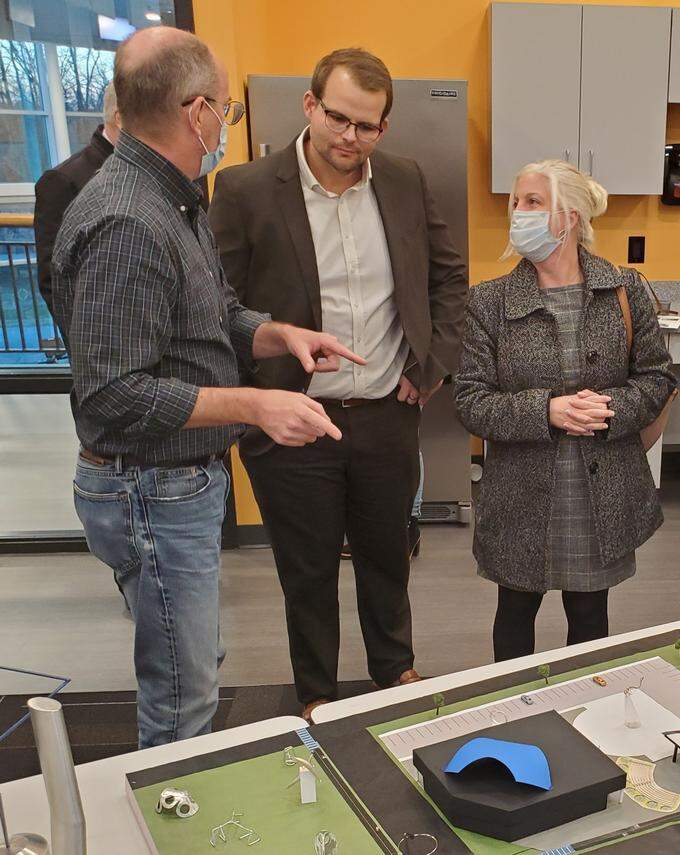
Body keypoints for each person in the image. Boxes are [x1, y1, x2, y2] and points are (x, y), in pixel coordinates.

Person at [50, 27, 363, 748]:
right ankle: (173, 815)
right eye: (227, 108)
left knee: (192, 663)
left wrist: (278, 334)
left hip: (176, 485)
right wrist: (255, 402)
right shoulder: (127, 221)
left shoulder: (173, 197)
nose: (227, 124)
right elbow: (113, 396)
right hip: (148, 489)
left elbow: (213, 313)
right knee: (183, 689)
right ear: (196, 113)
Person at [209, 48, 468, 721]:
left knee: (389, 555)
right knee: (308, 569)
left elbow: (447, 277)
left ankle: (393, 668)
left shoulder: (405, 180)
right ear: (310, 105)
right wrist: (253, 408)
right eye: (338, 118)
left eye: (368, 125)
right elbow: (218, 306)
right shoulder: (245, 189)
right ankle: (317, 693)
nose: (350, 137)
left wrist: (432, 362)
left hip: (387, 410)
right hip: (296, 421)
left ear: (385, 127)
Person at [455, 160, 675, 662]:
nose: (518, 212)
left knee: (590, 619)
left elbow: (658, 377)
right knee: (514, 617)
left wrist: (610, 408)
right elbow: (470, 400)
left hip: (601, 490)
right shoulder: (488, 302)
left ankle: (584, 704)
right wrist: (546, 411)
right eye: (515, 201)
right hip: (521, 492)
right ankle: (514, 706)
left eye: (532, 202)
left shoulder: (624, 289)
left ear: (570, 216)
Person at [34, 85, 121, 319]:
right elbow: (53, 280)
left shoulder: (143, 173)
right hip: (100, 337)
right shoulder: (62, 181)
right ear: (120, 118)